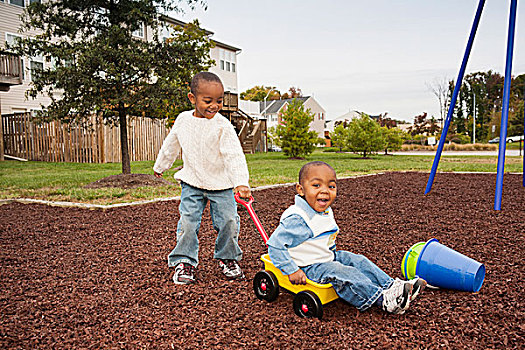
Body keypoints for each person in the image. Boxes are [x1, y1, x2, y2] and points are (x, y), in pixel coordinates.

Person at [267, 161, 426, 314]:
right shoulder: (298, 219)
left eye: (331, 186)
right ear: (300, 189)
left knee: (358, 260)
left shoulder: (324, 211)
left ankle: (392, 286)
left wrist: (334, 254)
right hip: (307, 266)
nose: (325, 191)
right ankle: (383, 299)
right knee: (342, 271)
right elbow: (275, 246)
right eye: (316, 185)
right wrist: (292, 270)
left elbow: (326, 237)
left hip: (324, 257)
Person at [153, 71, 251, 285]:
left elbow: (233, 154)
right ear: (192, 98)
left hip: (221, 185)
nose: (214, 106)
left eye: (219, 101)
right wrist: (161, 165)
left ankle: (228, 258)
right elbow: (171, 144)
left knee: (228, 222)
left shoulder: (223, 125)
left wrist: (241, 182)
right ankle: (184, 262)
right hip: (192, 183)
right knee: (188, 223)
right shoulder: (183, 120)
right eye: (208, 101)